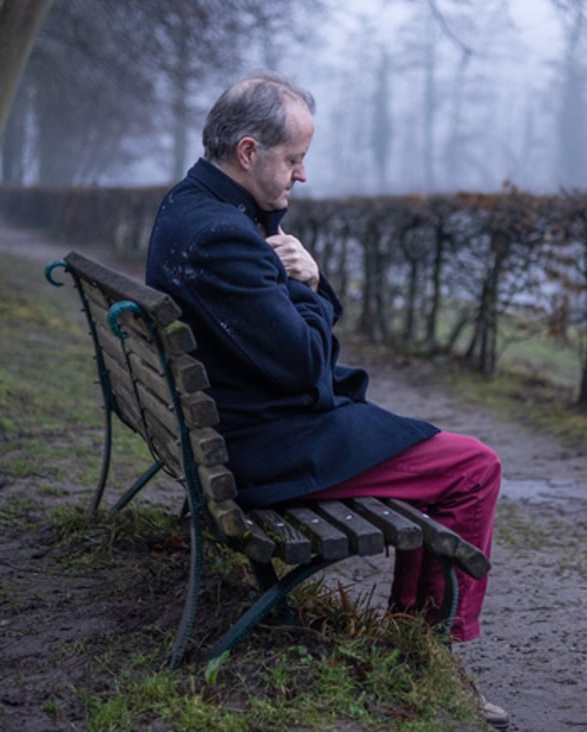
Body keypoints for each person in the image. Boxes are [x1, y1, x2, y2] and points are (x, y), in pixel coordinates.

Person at [145, 70, 508, 729]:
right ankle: (424, 649)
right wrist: (309, 286)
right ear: (249, 153)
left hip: (233, 433)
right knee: (473, 466)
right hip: (266, 451)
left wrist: (300, 279)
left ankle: (416, 636)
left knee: (436, 449)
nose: (302, 176)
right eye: (294, 159)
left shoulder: (191, 209)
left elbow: (293, 347)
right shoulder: (226, 237)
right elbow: (310, 366)